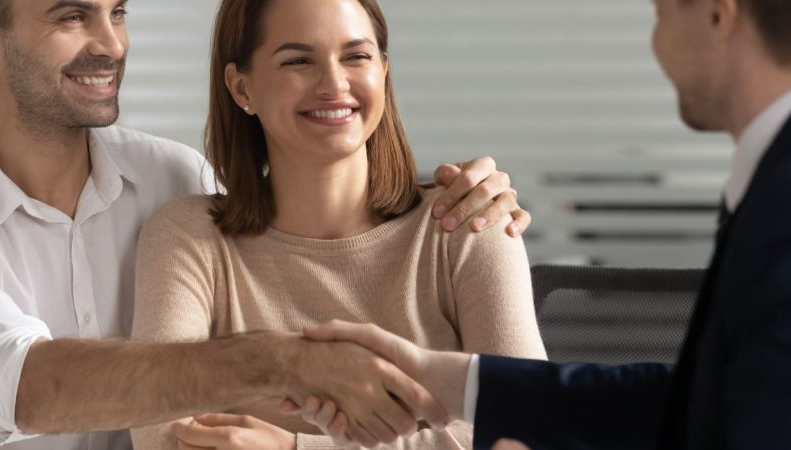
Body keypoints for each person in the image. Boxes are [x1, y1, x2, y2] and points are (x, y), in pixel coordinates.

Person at [0, 1, 535, 449]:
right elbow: (22, 384)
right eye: (72, 17)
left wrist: (480, 200)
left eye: (118, 12)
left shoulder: (179, 180)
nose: (111, 45)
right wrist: (288, 360)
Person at [291, 0, 791, 449]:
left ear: (718, 15)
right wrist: (457, 382)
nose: (655, 46)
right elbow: (718, 402)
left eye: (659, 14)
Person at [127, 0, 547, 448]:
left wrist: (292, 448)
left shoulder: (468, 223)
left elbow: (530, 427)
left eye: (356, 56)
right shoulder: (189, 236)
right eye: (298, 61)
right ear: (241, 87)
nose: (333, 83)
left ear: (383, 72)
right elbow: (162, 436)